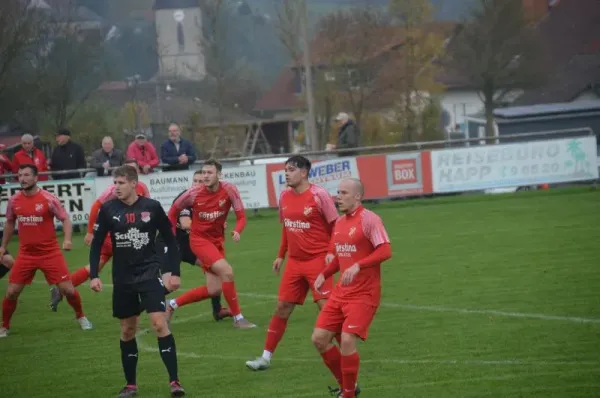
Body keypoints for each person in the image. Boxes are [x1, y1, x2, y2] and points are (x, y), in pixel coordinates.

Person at [89, 165, 185, 397]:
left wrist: (174, 272)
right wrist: (94, 275)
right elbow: (96, 243)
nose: (116, 187)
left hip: (149, 273)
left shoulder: (151, 207)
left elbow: (171, 241)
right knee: (127, 329)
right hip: (123, 278)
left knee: (159, 324)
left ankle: (175, 382)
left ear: (134, 183)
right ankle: (131, 385)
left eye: (121, 183)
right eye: (115, 183)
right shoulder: (108, 209)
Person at [245, 155, 339, 371]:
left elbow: (336, 226)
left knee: (327, 311)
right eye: (285, 169)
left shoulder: (319, 195)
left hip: (318, 262)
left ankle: (346, 354)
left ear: (304, 172)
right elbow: (287, 227)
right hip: (295, 264)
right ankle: (265, 358)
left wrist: (332, 252)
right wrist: (281, 255)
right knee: (282, 308)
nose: (286, 173)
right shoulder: (284, 197)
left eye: (291, 169)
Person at [311, 178, 392, 398]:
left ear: (358, 196)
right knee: (319, 339)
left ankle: (347, 394)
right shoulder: (339, 223)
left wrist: (359, 265)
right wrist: (324, 274)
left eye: (344, 193)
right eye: (338, 192)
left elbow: (385, 250)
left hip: (364, 294)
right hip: (340, 293)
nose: (339, 197)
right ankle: (348, 386)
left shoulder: (370, 220)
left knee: (347, 339)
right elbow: (340, 257)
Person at [0, 164, 92, 338]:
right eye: (19, 175)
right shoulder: (14, 201)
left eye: (27, 175)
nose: (22, 178)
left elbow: (65, 219)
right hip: (26, 254)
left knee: (68, 290)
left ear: (36, 177)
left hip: (50, 253)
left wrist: (67, 239)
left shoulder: (49, 199)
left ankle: (81, 317)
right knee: (11, 292)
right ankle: (4, 326)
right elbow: (10, 223)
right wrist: (3, 246)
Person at [49, 159, 151, 311]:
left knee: (96, 265)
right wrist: (90, 231)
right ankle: (150, 296)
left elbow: (147, 208)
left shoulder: (142, 188)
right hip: (115, 234)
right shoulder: (113, 190)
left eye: (134, 169)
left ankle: (62, 288)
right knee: (139, 262)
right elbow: (96, 206)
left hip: (127, 232)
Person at [165, 159, 255, 329]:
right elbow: (171, 214)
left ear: (219, 175)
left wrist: (237, 230)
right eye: (203, 172)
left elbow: (241, 216)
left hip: (217, 241)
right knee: (227, 272)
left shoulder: (229, 190)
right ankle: (238, 318)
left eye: (209, 173)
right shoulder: (192, 194)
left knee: (214, 289)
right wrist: (172, 237)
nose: (205, 176)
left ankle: (172, 304)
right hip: (199, 241)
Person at [155, 169, 230, 321]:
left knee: (216, 270)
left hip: (188, 244)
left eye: (201, 181)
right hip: (170, 242)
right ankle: (139, 305)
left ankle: (217, 310)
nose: (197, 184)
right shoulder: (186, 198)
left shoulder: (208, 199)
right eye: (195, 181)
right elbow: (185, 224)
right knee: (170, 285)